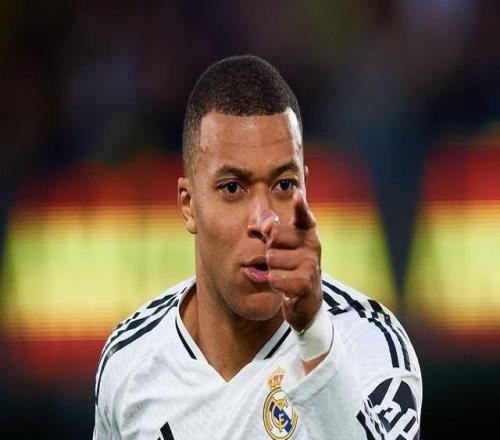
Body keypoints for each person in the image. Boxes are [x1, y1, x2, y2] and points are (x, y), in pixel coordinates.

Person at [93, 55, 422, 440]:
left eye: (284, 185)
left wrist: (314, 333)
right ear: (188, 205)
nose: (265, 221)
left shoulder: (370, 345)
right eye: (233, 188)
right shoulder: (130, 362)